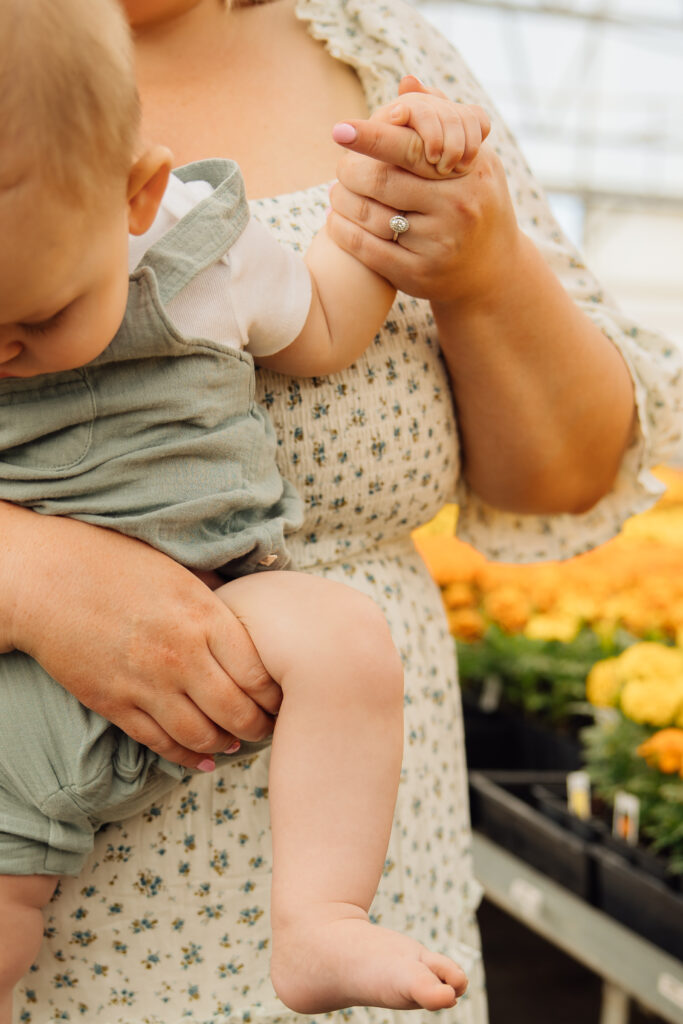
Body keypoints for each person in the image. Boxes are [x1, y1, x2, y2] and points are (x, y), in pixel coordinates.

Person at [6, 1, 681, 1023]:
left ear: (142, 197)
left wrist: (459, 256)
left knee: (341, 635)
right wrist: (30, 577)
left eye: (44, 313)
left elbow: (323, 322)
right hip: (34, 768)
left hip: (328, 760)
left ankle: (321, 920)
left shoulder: (357, 69)